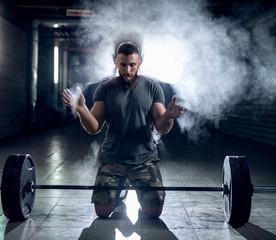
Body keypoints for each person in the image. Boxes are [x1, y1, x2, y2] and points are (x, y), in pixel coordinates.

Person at [62, 41, 184, 219]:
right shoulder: (104, 89)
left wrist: (169, 116)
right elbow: (94, 127)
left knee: (153, 213)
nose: (128, 70)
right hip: (113, 158)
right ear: (116, 63)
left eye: (132, 65)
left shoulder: (153, 88)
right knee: (102, 212)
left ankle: (130, 188)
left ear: (139, 63)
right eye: (123, 65)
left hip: (144, 159)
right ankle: (120, 194)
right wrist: (81, 109)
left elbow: (161, 127)